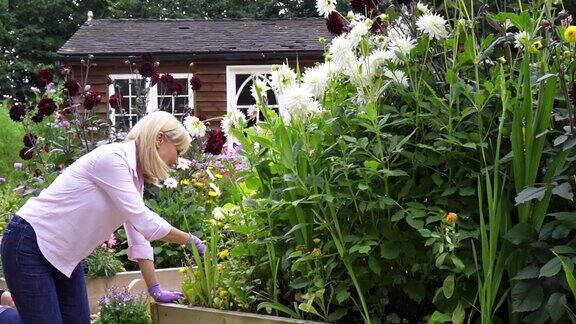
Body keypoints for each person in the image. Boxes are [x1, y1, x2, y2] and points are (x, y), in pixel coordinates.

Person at [1, 111, 206, 323]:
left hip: (63, 257)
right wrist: (191, 241)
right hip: (28, 244)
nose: (177, 160)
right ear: (159, 138)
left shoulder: (134, 177)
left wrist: (154, 288)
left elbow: (138, 235)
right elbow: (145, 222)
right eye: (178, 150)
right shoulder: (113, 159)